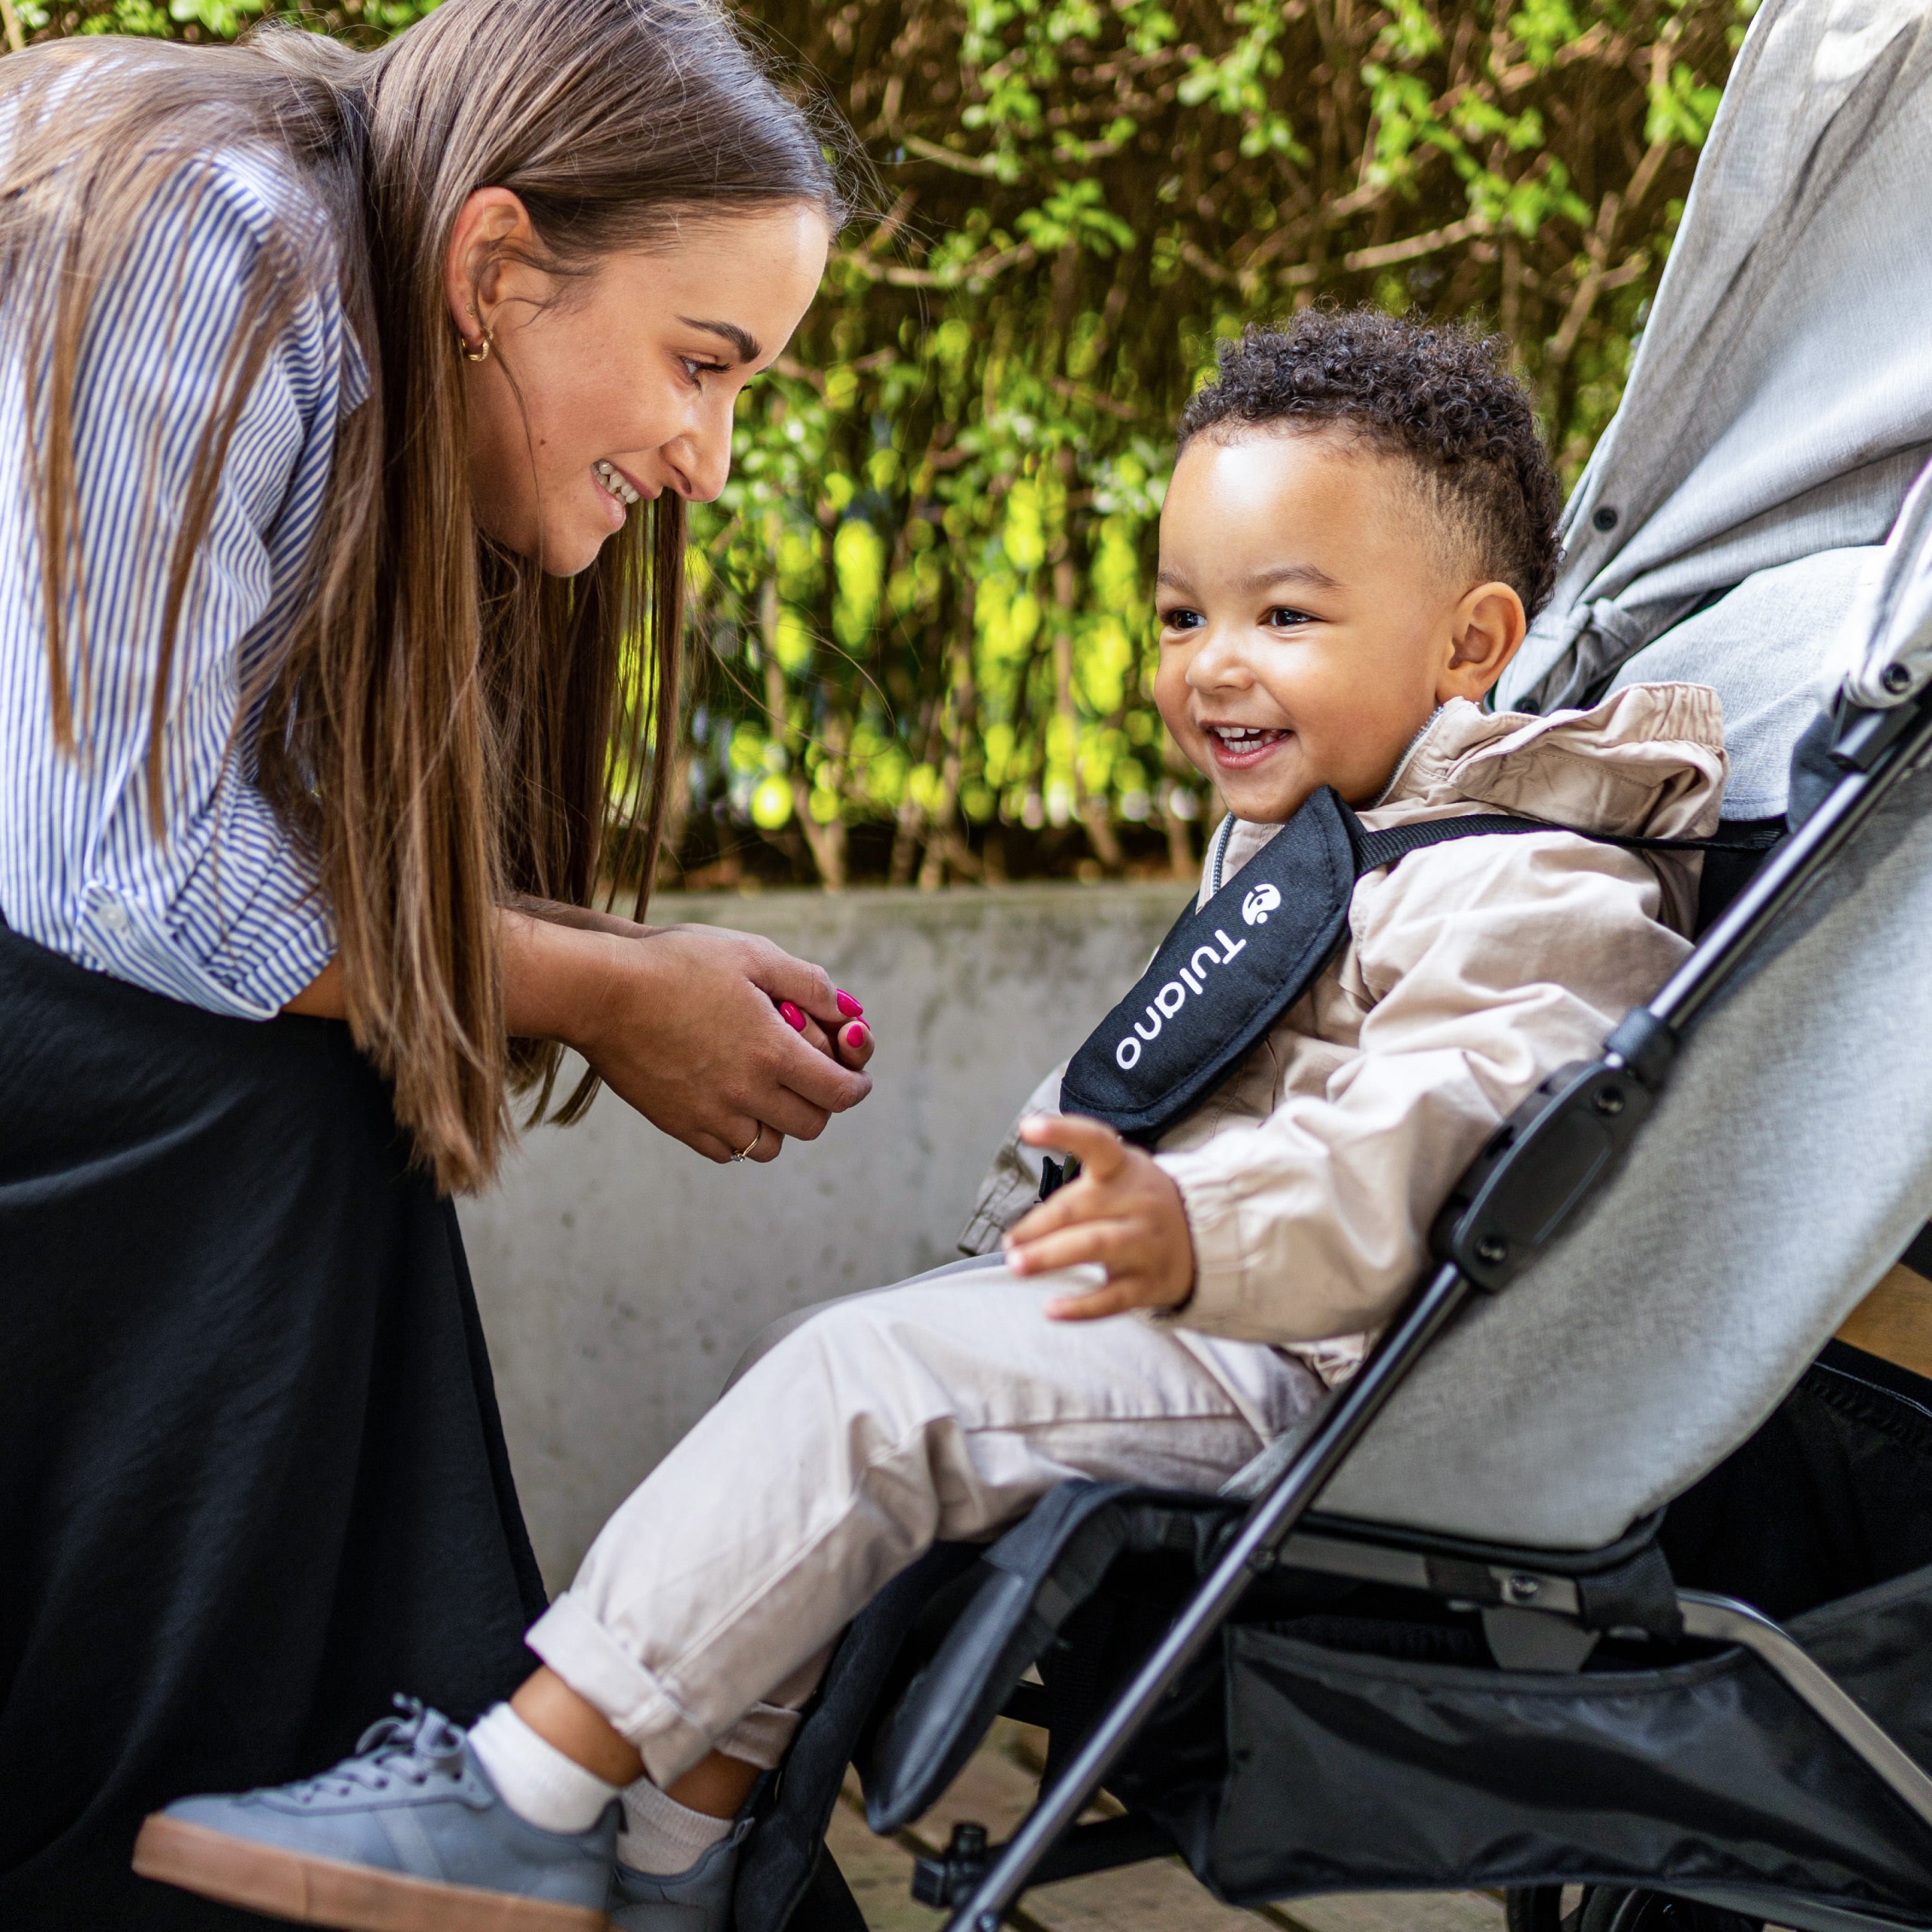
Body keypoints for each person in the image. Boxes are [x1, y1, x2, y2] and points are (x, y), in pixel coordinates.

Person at [137, 310, 1727, 1932]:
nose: (1211, 662)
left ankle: (518, 1799)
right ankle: (673, 1866)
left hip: (1333, 1372)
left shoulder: (1535, 882)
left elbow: (1447, 1143)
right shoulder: (1337, 839)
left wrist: (1193, 1227)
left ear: (1469, 644)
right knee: (828, 1377)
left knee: (864, 1392)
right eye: (1181, 614)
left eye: (1285, 614)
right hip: (1230, 1322)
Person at [0, 5, 877, 1926]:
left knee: (301, 1070)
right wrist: (601, 990)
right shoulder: (220, 233)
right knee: (258, 1082)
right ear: (494, 267)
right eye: (699, 363)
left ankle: (367, 1797)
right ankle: (213, 1822)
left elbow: (233, 844)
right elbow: (128, 873)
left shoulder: (356, 287)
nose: (709, 459)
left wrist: (621, 964)